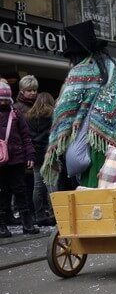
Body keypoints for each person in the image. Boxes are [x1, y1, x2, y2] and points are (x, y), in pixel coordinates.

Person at [42, 21, 116, 189]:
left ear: (75, 55)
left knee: (96, 186)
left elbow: (64, 109)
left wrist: (60, 135)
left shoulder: (82, 70)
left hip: (95, 142)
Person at [0, 82, 38, 237]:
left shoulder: (15, 114)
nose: (3, 102)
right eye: (0, 99)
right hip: (5, 160)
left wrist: (30, 155)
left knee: (20, 190)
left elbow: (25, 136)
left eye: (5, 99)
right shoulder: (16, 113)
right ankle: (4, 225)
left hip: (16, 159)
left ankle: (26, 224)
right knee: (2, 192)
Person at [25, 92, 56, 226]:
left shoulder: (28, 116)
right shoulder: (53, 115)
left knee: (37, 186)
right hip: (49, 152)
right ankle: (56, 214)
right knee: (52, 184)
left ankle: (40, 216)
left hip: (35, 154)